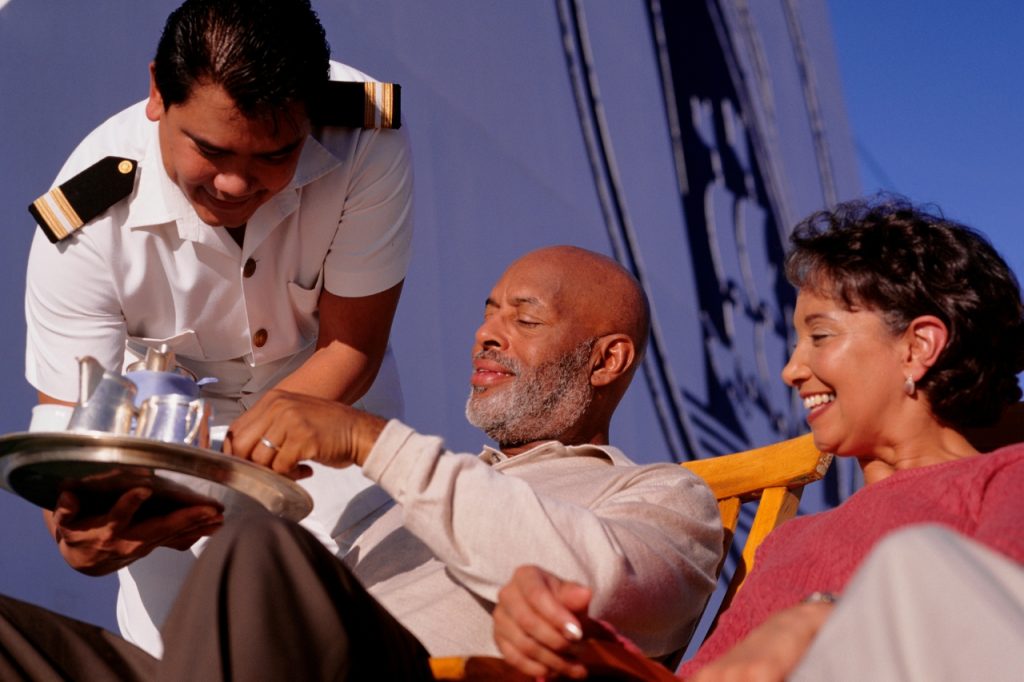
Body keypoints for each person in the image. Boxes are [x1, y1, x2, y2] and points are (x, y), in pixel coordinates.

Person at [0, 245, 723, 679]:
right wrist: (165, 521)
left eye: (524, 319)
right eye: (489, 312)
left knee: (265, 546)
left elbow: (599, 588)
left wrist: (371, 440)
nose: (486, 335)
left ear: (607, 360)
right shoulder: (416, 497)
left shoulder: (665, 495)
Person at [488, 198, 1024, 680]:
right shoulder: (789, 544)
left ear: (919, 346)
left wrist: (821, 619)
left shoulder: (1006, 479)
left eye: (820, 336)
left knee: (913, 558)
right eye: (796, 342)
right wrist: (579, 642)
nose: (792, 370)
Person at [23, 0, 412, 656]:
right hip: (168, 464)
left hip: (332, 432)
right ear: (157, 92)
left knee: (358, 648)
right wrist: (84, 535)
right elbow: (71, 431)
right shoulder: (85, 221)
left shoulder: (365, 137)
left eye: (276, 155)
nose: (235, 183)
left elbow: (353, 347)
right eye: (210, 150)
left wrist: (231, 469)